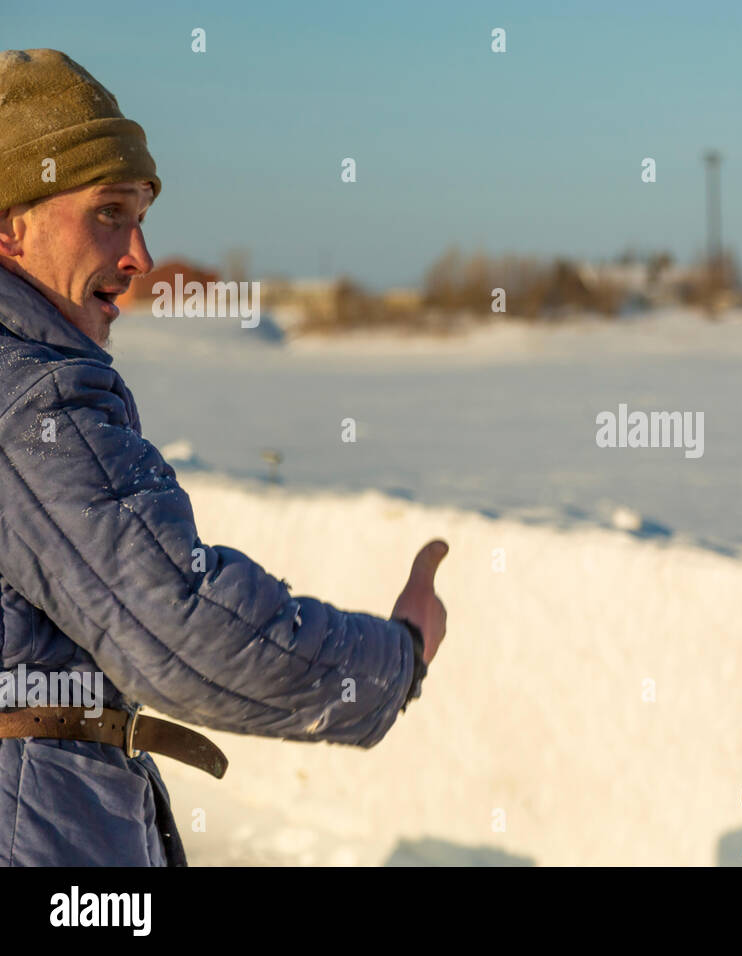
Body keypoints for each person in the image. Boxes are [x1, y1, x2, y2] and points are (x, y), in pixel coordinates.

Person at [0, 48, 449, 866]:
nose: (138, 255)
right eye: (108, 212)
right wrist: (396, 658)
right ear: (8, 224)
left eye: (141, 215)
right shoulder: (31, 400)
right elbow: (182, 630)